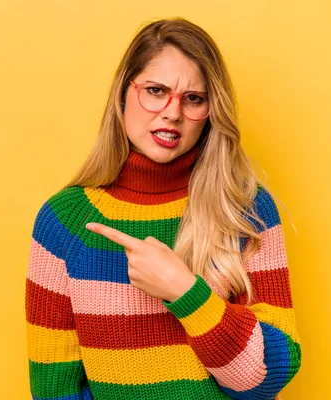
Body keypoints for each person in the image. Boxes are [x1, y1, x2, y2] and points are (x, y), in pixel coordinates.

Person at [24, 17, 301, 400]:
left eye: (193, 98)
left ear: (211, 111)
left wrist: (184, 290)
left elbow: (266, 380)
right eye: (155, 90)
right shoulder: (64, 221)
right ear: (123, 94)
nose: (172, 112)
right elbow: (54, 390)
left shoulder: (246, 209)